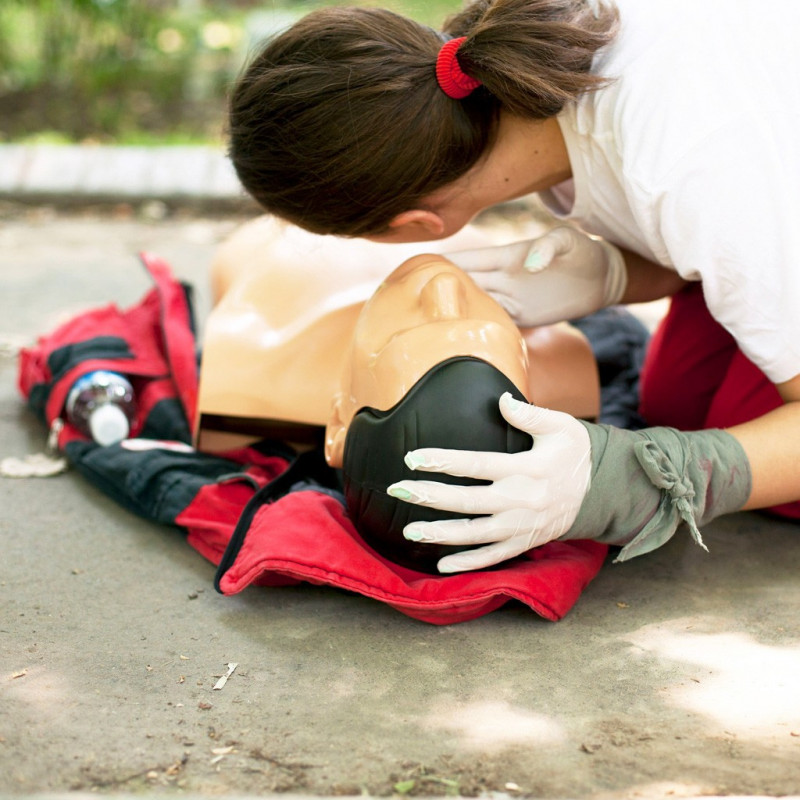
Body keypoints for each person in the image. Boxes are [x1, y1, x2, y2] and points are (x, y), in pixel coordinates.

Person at [227, 0, 800, 572]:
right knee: (685, 407)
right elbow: (711, 232)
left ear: (417, 225)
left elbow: (715, 207)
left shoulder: (690, 164)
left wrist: (629, 480)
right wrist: (618, 272)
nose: (442, 295)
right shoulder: (524, 78)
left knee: (757, 462)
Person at [198, 219, 603, 571]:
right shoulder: (571, 370)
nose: (444, 286)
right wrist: (613, 275)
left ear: (337, 426)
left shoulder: (243, 362)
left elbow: (243, 250)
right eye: (477, 321)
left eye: (407, 331)